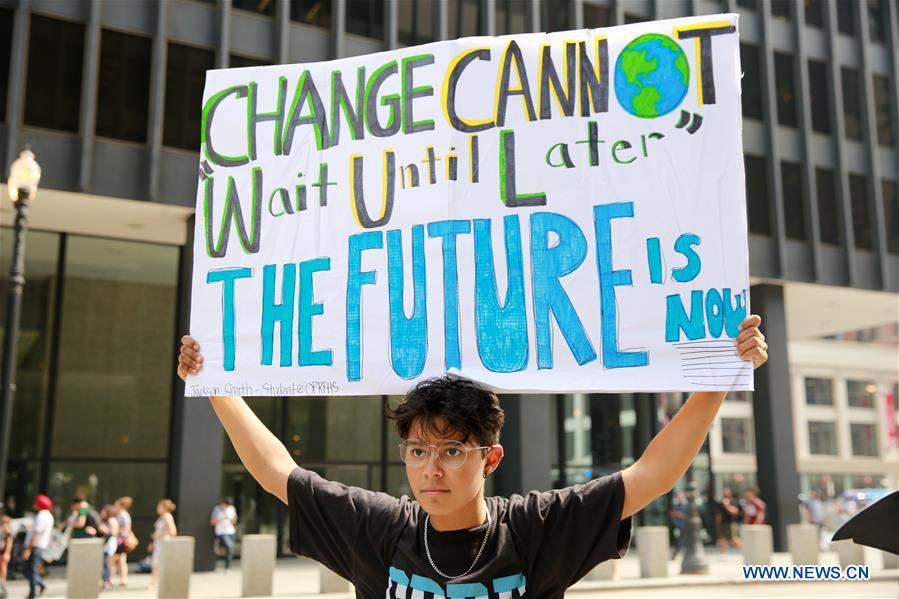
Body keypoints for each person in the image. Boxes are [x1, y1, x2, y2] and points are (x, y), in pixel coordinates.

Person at [177, 315, 767, 596]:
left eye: (452, 451)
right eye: (417, 450)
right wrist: (215, 387)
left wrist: (718, 378)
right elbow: (281, 472)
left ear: (490, 458)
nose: (430, 469)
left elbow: (650, 475)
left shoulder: (536, 528)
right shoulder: (379, 528)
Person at [22, 494, 53, 599]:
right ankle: (33, 591)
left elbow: (37, 533)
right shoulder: (48, 515)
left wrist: (28, 549)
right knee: (31, 570)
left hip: (35, 547)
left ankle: (38, 588)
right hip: (40, 546)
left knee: (30, 570)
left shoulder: (42, 515)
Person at [150, 499, 177, 589]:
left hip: (163, 543)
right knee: (156, 563)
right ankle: (155, 582)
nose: (157, 508)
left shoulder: (167, 516)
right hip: (159, 543)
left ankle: (156, 583)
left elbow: (173, 532)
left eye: (159, 506)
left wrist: (158, 534)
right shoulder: (162, 517)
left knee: (158, 563)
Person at [210, 497, 238, 571]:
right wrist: (223, 519)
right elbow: (212, 522)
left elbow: (234, 521)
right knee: (229, 546)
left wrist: (231, 519)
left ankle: (228, 567)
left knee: (230, 550)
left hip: (231, 531)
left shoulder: (232, 509)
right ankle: (227, 566)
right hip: (221, 532)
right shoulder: (217, 509)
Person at [111, 496, 133, 587]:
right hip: (119, 540)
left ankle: (111, 578)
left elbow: (126, 529)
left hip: (121, 540)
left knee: (113, 560)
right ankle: (122, 579)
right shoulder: (120, 515)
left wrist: (116, 530)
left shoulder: (123, 515)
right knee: (121, 560)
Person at [713, 487, 742, 554]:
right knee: (722, 539)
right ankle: (724, 554)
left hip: (731, 523)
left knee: (734, 539)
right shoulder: (720, 502)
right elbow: (718, 514)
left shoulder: (733, 501)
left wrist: (727, 506)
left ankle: (744, 550)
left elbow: (735, 512)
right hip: (722, 523)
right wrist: (717, 524)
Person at [100, 505, 119, 590]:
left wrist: (104, 530)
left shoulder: (111, 520)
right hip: (110, 543)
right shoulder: (111, 520)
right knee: (108, 562)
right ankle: (108, 580)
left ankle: (107, 581)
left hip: (110, 543)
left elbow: (113, 532)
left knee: (106, 562)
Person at [669, 491, 689, 557]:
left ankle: (675, 554)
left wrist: (679, 515)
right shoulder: (676, 505)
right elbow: (672, 513)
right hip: (679, 525)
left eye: (680, 496)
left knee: (682, 540)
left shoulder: (687, 504)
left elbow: (688, 515)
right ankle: (675, 554)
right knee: (681, 539)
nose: (679, 497)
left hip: (686, 525)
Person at [0, 515, 12, 598]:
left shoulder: (7, 530)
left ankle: (2, 587)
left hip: (3, 553)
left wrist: (7, 553)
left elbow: (9, 541)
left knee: (3, 570)